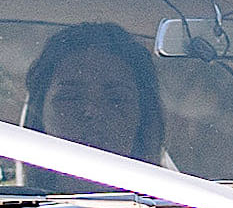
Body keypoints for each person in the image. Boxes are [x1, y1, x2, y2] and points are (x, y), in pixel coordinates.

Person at [24, 21, 167, 169]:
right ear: (39, 111)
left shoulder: (184, 191)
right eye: (70, 98)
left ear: (143, 117)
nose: (92, 111)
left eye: (115, 99)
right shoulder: (2, 193)